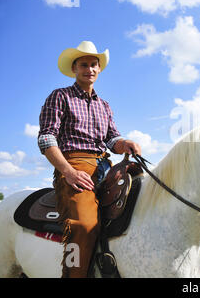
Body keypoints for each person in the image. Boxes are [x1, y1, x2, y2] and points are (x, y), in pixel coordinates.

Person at [38, 40, 141, 278]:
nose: (90, 69)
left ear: (99, 69)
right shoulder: (60, 97)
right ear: (74, 69)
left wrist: (126, 144)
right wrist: (67, 171)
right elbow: (46, 138)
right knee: (84, 226)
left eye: (94, 64)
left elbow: (112, 139)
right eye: (84, 65)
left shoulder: (104, 105)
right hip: (75, 163)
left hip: (106, 164)